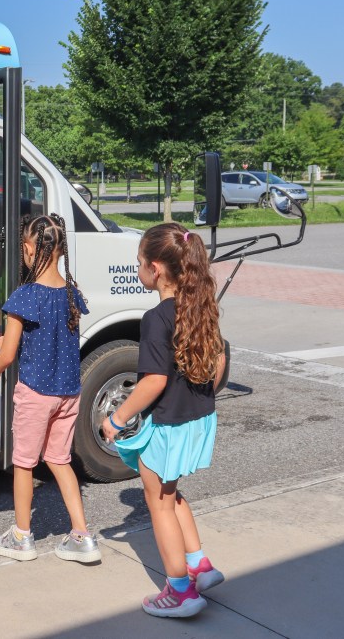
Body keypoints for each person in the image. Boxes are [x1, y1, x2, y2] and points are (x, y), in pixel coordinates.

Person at [100, 222, 227, 619]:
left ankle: (179, 591)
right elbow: (219, 362)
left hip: (169, 425)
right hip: (197, 418)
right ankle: (199, 565)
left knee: (158, 502)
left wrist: (117, 418)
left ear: (156, 269)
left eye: (138, 263)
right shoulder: (201, 305)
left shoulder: (156, 317)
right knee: (170, 494)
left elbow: (153, 380)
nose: (138, 269)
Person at [0, 213, 100, 564]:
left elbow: (6, 356)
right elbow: (57, 337)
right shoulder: (71, 293)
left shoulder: (24, 296)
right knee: (59, 460)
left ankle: (22, 536)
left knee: (24, 463)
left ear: (27, 248)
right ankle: (82, 537)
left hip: (36, 393)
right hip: (68, 392)